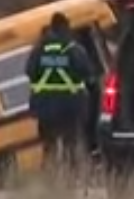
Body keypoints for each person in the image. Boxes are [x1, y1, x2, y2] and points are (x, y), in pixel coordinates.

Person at [26, 12, 98, 170]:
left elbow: (30, 72)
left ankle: (49, 180)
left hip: (45, 106)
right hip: (70, 106)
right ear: (65, 27)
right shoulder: (74, 50)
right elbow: (87, 73)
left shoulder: (38, 51)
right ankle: (73, 178)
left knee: (49, 146)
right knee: (70, 144)